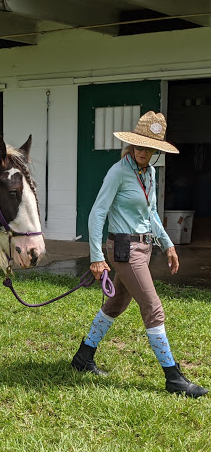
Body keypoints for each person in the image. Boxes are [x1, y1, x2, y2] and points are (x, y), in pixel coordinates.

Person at [71, 111, 208, 398]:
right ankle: (174, 378)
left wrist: (168, 244)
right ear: (132, 145)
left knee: (116, 304)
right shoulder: (118, 171)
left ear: (156, 150)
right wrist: (96, 256)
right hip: (124, 249)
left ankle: (83, 357)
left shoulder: (150, 173)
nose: (143, 152)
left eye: (149, 147)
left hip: (144, 248)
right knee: (153, 307)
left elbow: (151, 213)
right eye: (139, 146)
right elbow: (98, 213)